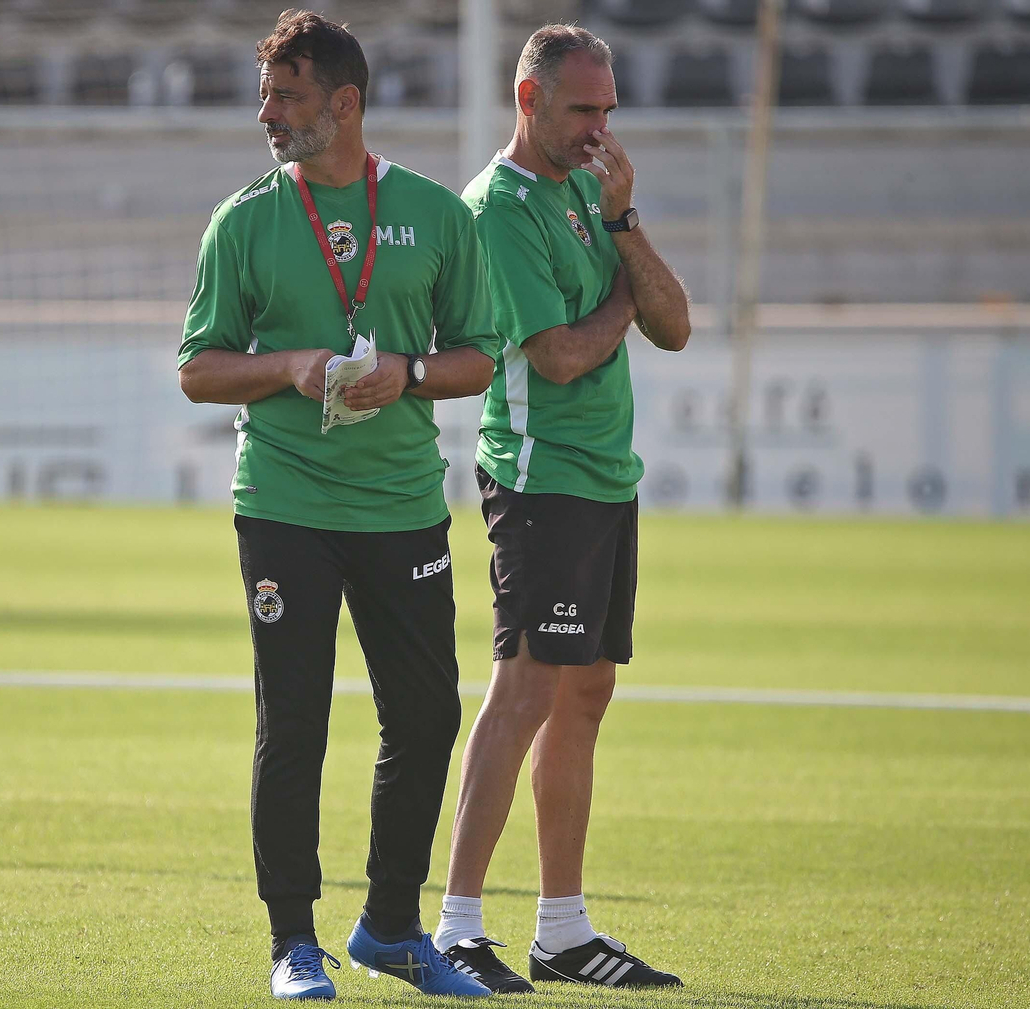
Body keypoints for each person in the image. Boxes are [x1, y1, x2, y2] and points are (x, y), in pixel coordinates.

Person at [177, 9, 499, 1001]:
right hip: (284, 502)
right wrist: (287, 365)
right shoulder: (245, 219)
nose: (265, 112)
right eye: (266, 93)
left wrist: (403, 373)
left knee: (427, 712)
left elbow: (478, 356)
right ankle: (291, 942)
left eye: (287, 95)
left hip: (402, 503)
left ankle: (393, 928)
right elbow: (197, 369)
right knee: (296, 721)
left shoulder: (437, 213)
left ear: (344, 104)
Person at [431, 24, 693, 994]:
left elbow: (676, 323)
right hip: (539, 477)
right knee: (525, 688)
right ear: (528, 99)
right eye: (583, 109)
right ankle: (456, 924)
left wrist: (626, 230)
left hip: (603, 476)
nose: (599, 129)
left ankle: (563, 930)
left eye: (608, 111)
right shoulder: (495, 209)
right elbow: (559, 355)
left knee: (584, 693)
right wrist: (625, 289)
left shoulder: (596, 189)